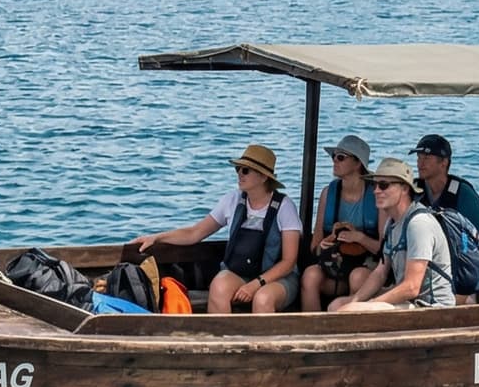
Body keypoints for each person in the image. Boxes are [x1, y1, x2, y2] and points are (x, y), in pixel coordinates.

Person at [131, 143, 301, 313]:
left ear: (264, 177)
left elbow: (288, 261)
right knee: (219, 286)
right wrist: (156, 238)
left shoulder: (284, 207)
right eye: (238, 169)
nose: (240, 174)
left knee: (262, 299)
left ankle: (262, 340)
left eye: (246, 170)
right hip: (239, 273)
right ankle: (223, 337)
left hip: (277, 279)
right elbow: (195, 233)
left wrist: (256, 284)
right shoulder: (232, 200)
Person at [335, 157, 457, 311]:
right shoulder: (391, 223)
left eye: (384, 185)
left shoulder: (418, 224)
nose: (376, 191)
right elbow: (380, 273)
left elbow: (412, 286)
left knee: (349, 311)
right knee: (338, 305)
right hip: (410, 302)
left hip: (430, 308)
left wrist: (368, 305)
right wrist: (355, 300)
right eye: (375, 185)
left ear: (405, 188)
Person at [300, 134, 381, 312]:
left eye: (341, 157)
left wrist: (358, 237)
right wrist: (327, 241)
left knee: (357, 277)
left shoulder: (377, 196)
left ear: (358, 163)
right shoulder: (328, 193)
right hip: (335, 266)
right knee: (310, 276)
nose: (334, 161)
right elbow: (315, 245)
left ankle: (351, 328)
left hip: (366, 267)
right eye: (333, 156)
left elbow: (382, 248)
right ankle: (313, 331)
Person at [410, 134, 479, 233]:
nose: (420, 163)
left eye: (426, 158)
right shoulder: (412, 189)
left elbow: (478, 236)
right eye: (419, 157)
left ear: (444, 162)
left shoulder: (463, 194)